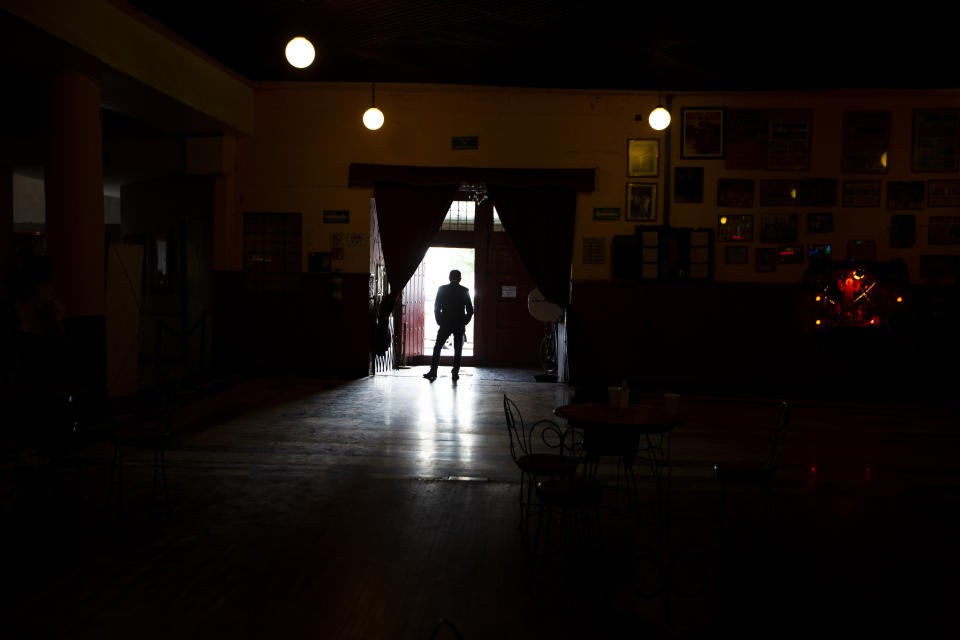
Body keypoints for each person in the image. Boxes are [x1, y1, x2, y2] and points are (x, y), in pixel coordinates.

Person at [423, 269, 473, 382]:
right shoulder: (465, 290)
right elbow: (470, 310)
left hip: (445, 322)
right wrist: (465, 321)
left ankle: (433, 371)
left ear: (449, 278)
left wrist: (439, 320)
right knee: (458, 348)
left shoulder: (442, 289)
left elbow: (436, 307)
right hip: (459, 323)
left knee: (437, 347)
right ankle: (455, 372)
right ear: (460, 279)